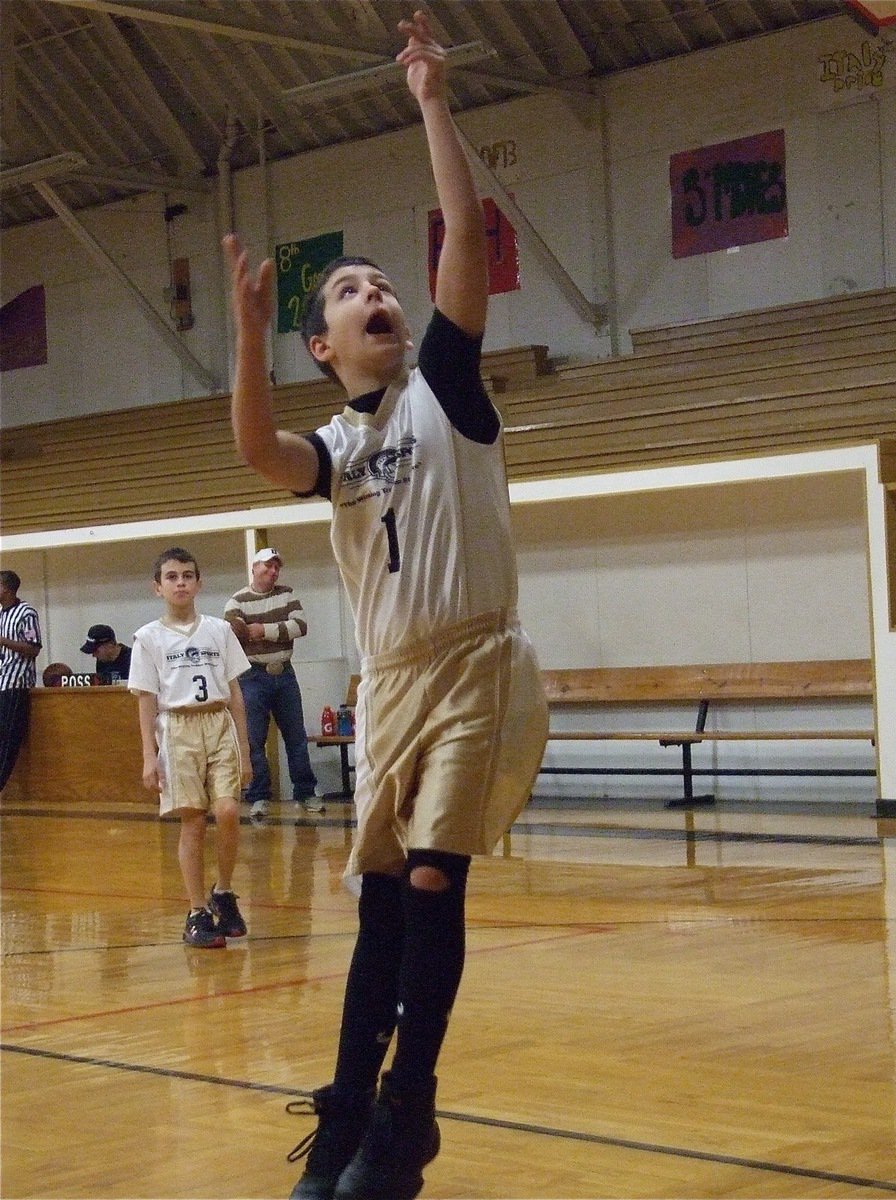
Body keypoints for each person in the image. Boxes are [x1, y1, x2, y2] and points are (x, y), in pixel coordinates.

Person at [226, 12, 548, 1199]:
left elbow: (464, 233)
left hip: (473, 668)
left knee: (429, 880)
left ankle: (408, 1113)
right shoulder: (333, 446)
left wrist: (432, 102)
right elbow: (258, 450)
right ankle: (352, 1109)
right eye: (350, 292)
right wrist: (247, 334)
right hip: (392, 686)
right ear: (324, 346)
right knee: (375, 905)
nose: (376, 295)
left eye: (383, 285)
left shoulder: (444, 386)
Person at [128, 546, 253, 949]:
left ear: (199, 583)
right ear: (157, 587)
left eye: (187, 576)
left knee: (228, 810)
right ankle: (197, 911)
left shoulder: (219, 630)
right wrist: (149, 756)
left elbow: (236, 693)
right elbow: (146, 701)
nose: (180, 583)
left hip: (217, 722)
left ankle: (224, 891)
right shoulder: (148, 638)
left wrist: (246, 749)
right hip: (177, 729)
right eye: (172, 577)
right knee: (193, 822)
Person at [224, 548, 321, 818]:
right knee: (254, 739)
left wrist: (262, 630)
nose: (273, 571)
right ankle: (259, 796)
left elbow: (300, 626)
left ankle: (306, 792)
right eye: (267, 566)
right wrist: (277, 630)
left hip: (285, 673)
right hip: (252, 676)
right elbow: (232, 632)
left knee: (296, 736)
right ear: (254, 568)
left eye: (277, 567)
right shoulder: (236, 601)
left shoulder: (287, 594)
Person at [0, 570, 42, 793]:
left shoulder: (26, 613)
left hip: (16, 682)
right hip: (2, 681)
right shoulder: (1, 614)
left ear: (6, 588)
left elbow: (33, 648)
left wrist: (2, 640)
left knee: (8, 739)